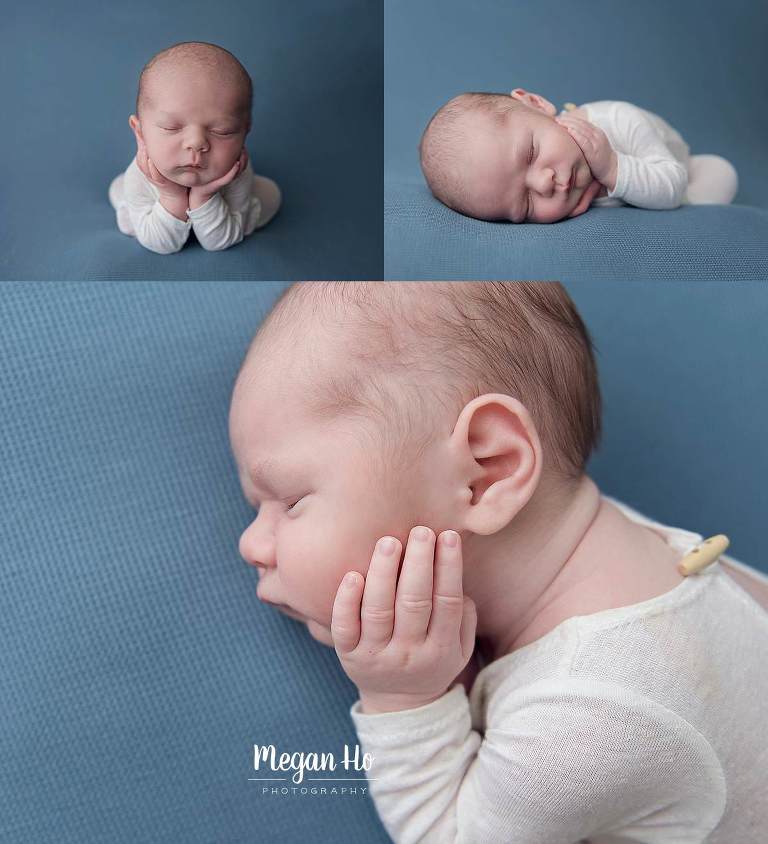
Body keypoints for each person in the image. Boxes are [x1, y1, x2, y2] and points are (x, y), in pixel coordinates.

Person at [229, 281, 768, 842]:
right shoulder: (631, 556)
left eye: (290, 500)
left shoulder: (586, 718)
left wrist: (405, 699)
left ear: (485, 474)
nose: (250, 544)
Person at [420, 89, 738, 223]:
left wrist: (613, 168)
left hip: (678, 164)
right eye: (526, 205)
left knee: (721, 174)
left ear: (536, 104)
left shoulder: (618, 120)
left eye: (531, 153)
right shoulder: (562, 184)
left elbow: (672, 181)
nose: (545, 183)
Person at [108, 41, 281, 254]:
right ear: (140, 133)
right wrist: (172, 195)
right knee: (120, 189)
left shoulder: (237, 172)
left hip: (223, 211)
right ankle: (140, 211)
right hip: (155, 210)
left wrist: (205, 196)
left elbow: (220, 242)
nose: (196, 143)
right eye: (171, 127)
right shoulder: (141, 174)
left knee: (269, 194)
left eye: (222, 130)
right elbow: (161, 245)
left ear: (245, 132)